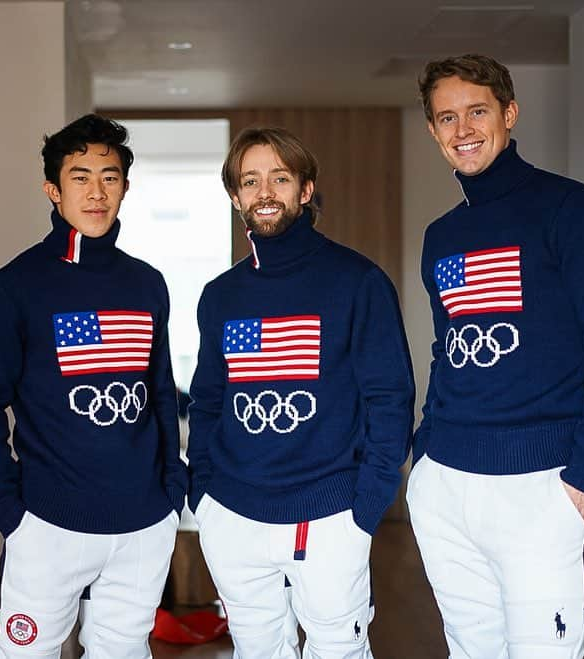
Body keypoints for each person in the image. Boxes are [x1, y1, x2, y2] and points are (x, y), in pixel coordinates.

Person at [408, 54, 584, 658]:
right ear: (434, 131)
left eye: (477, 111)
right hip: (447, 484)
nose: (463, 130)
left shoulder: (571, 209)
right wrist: (424, 452)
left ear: (509, 114)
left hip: (542, 486)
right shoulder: (442, 235)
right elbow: (447, 347)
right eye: (447, 117)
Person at [0, 113, 187, 658]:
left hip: (143, 521)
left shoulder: (146, 283)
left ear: (125, 188)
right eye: (80, 176)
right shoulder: (18, 286)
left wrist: (171, 488)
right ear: (53, 190)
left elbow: (160, 391)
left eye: (109, 177)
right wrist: (8, 504)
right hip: (48, 521)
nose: (95, 191)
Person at [187, 126, 415, 658]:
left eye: (280, 178)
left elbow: (390, 397)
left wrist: (367, 506)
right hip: (234, 514)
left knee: (338, 649)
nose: (265, 192)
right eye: (251, 180)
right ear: (236, 196)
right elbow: (207, 402)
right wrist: (206, 494)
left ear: (306, 190)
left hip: (330, 513)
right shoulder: (221, 296)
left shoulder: (358, 282)